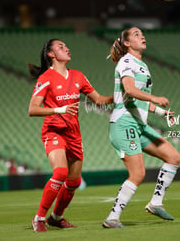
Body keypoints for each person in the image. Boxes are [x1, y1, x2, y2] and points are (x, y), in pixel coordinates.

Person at [28, 38, 113, 232]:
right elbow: (32, 109)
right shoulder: (46, 78)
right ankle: (39, 218)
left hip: (74, 133)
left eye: (67, 46)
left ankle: (56, 217)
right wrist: (59, 110)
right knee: (60, 172)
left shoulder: (78, 76)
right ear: (51, 54)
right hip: (54, 130)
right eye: (61, 47)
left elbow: (99, 100)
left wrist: (119, 96)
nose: (67, 48)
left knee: (73, 182)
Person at [102, 27, 180, 228]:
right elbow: (129, 89)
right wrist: (154, 97)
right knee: (137, 174)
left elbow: (139, 101)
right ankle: (112, 217)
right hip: (124, 123)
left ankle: (155, 203)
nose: (142, 36)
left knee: (173, 157)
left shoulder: (141, 65)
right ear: (127, 43)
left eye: (142, 33)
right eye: (136, 34)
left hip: (138, 124)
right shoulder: (126, 62)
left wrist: (163, 113)